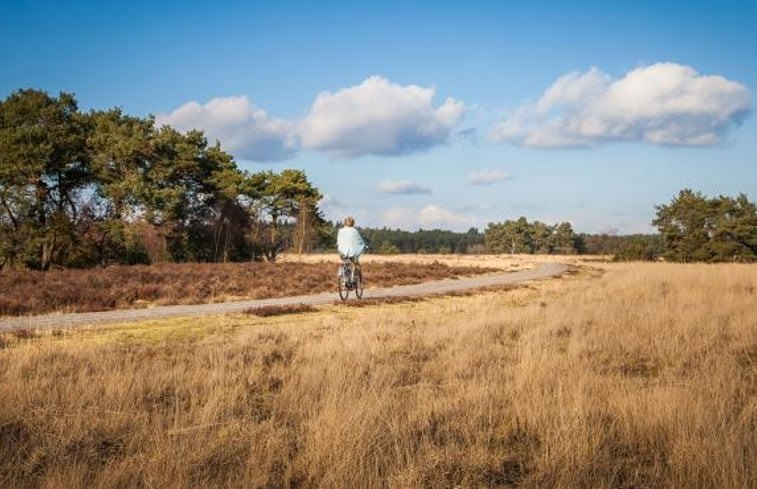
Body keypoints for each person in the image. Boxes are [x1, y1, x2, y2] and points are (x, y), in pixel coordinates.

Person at [337, 216, 367, 281]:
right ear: (353, 223)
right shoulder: (354, 231)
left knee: (344, 261)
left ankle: (344, 275)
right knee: (356, 263)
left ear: (344, 223)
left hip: (342, 252)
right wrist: (364, 246)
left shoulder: (340, 231)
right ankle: (354, 278)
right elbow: (359, 241)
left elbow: (339, 241)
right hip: (352, 252)